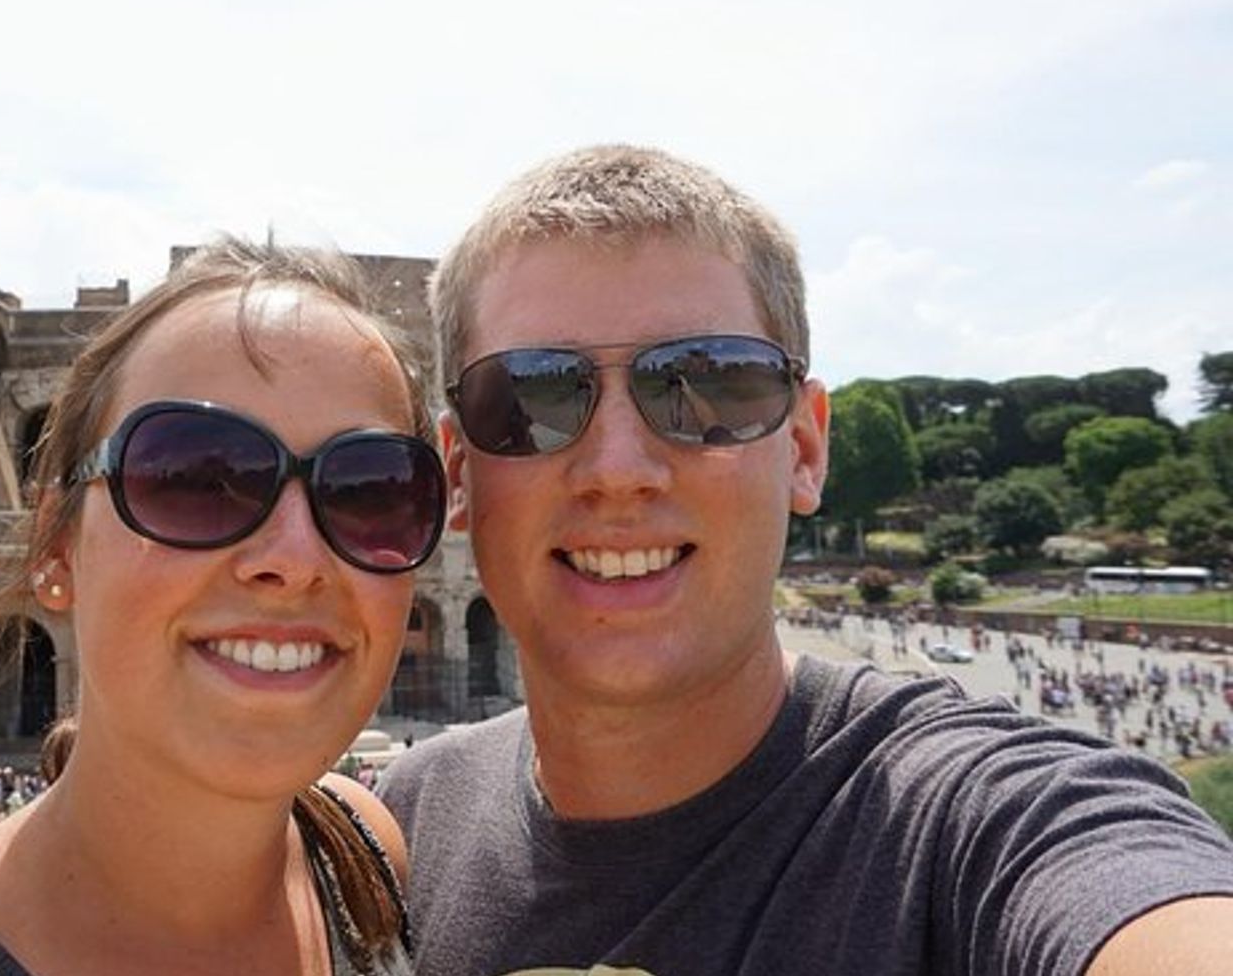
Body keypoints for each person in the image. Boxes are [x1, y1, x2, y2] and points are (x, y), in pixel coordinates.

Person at [376, 144, 1233, 974]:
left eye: (710, 386)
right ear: (458, 474)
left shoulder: (989, 826)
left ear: (805, 448)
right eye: (528, 398)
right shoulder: (396, 836)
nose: (618, 470)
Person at [0, 237, 443, 974]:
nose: (294, 559)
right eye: (192, 478)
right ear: (56, 547)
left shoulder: (362, 851)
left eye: (372, 489)